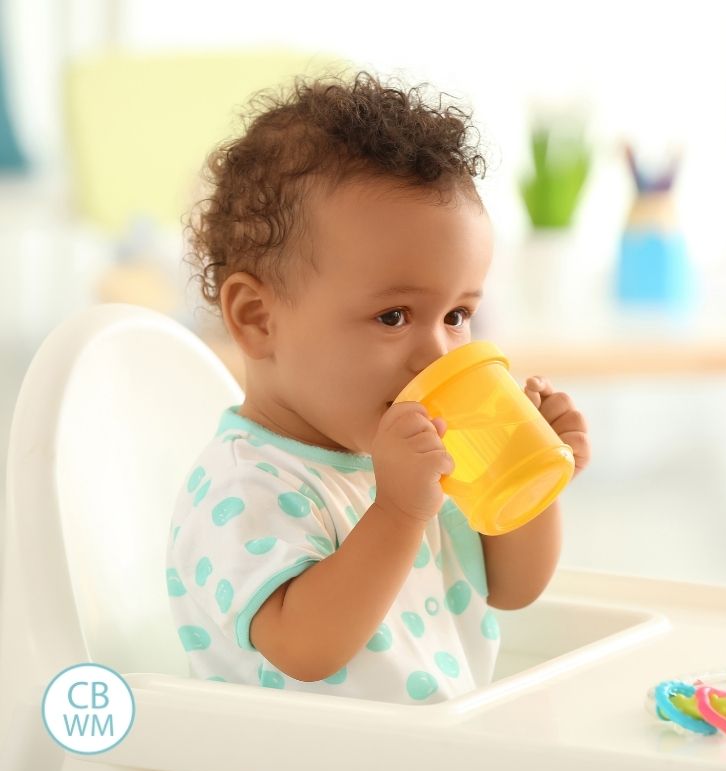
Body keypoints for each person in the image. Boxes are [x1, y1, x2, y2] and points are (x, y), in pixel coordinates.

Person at [166, 70, 591, 704]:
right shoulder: (247, 485)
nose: (436, 352)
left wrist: (529, 482)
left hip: (429, 756)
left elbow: (513, 587)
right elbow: (306, 648)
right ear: (259, 318)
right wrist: (396, 513)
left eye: (456, 315)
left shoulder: (411, 457)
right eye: (393, 317)